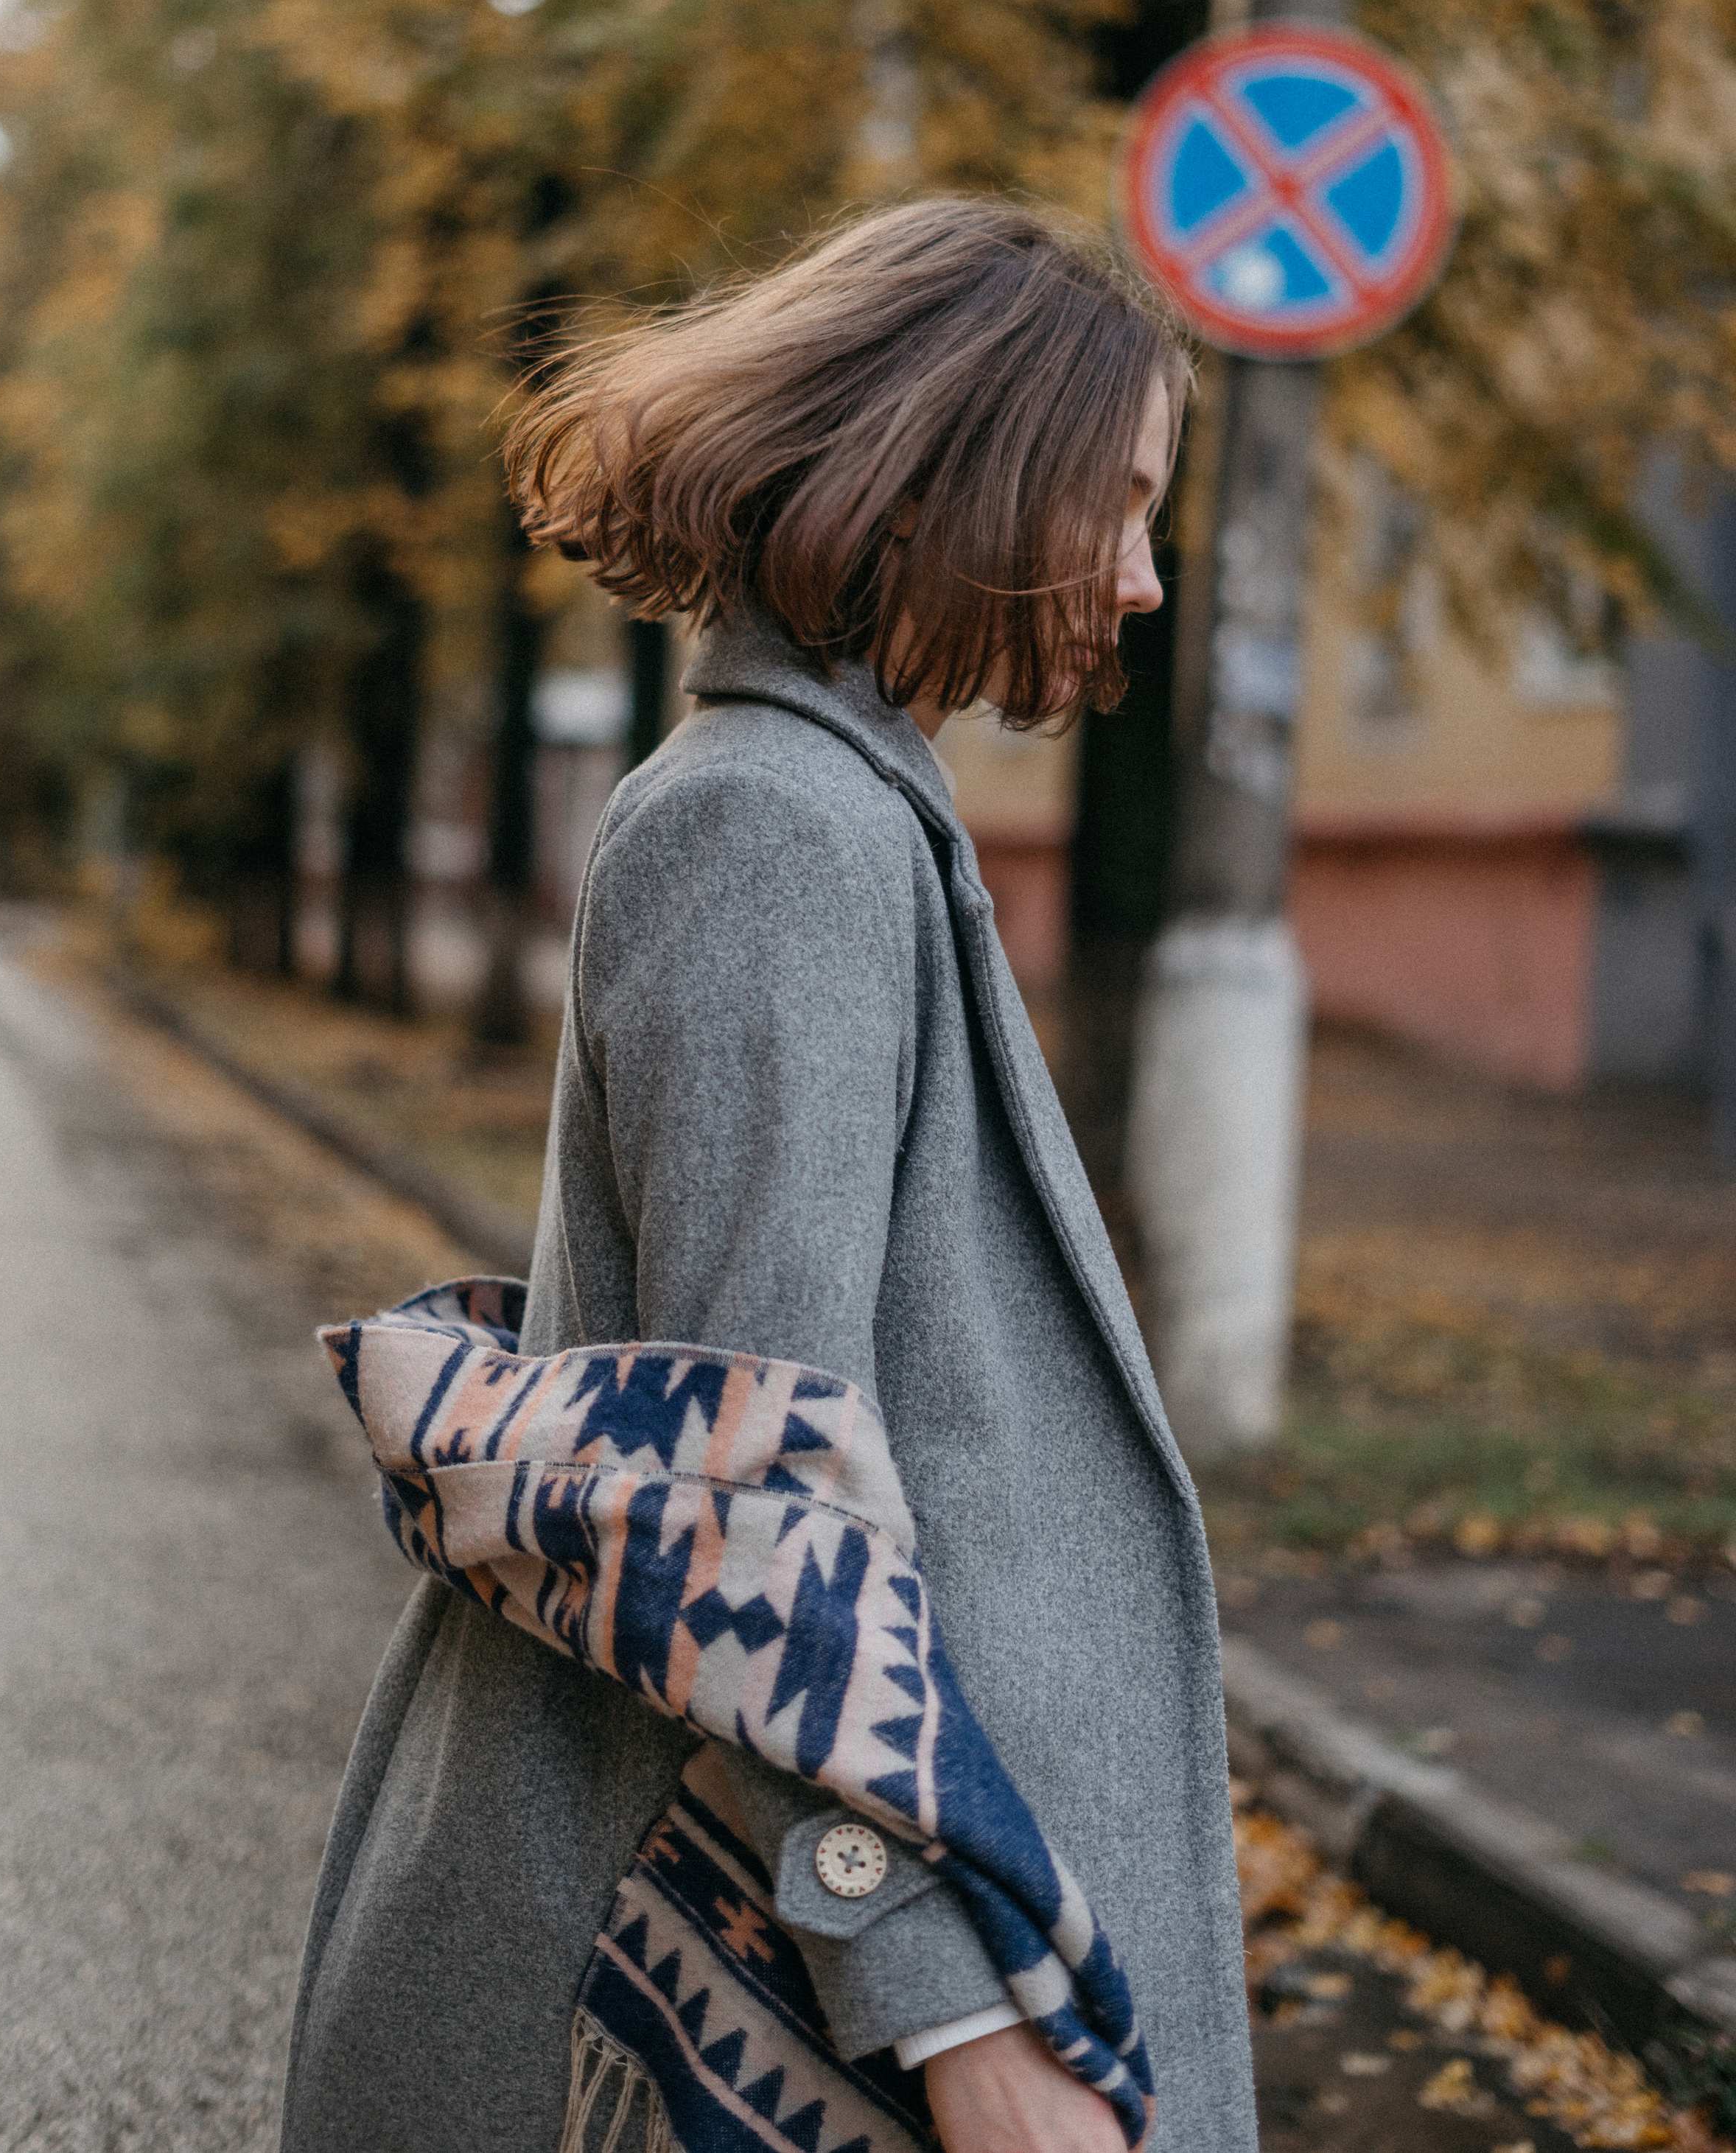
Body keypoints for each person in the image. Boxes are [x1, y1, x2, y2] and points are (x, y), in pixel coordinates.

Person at [281, 197, 1256, 2153]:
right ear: (960, 474)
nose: (1145, 578)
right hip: (751, 1991)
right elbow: (749, 1508)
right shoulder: (776, 833)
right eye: (1119, 502)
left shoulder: (840, 809)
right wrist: (955, 2020)